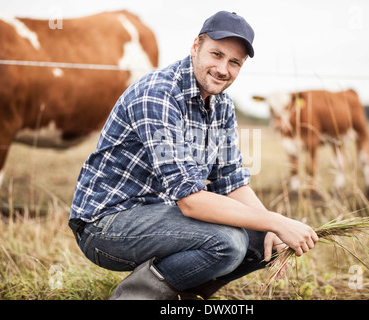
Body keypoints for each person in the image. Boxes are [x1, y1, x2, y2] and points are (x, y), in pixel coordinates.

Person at [69, 11, 318, 300]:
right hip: (107, 225)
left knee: (265, 244)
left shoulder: (222, 104)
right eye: (216, 54)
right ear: (195, 47)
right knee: (229, 242)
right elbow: (190, 201)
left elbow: (231, 182)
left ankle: (181, 299)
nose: (223, 68)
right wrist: (275, 220)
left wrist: (271, 228)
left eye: (234, 62)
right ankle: (134, 297)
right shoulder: (158, 95)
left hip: (162, 218)